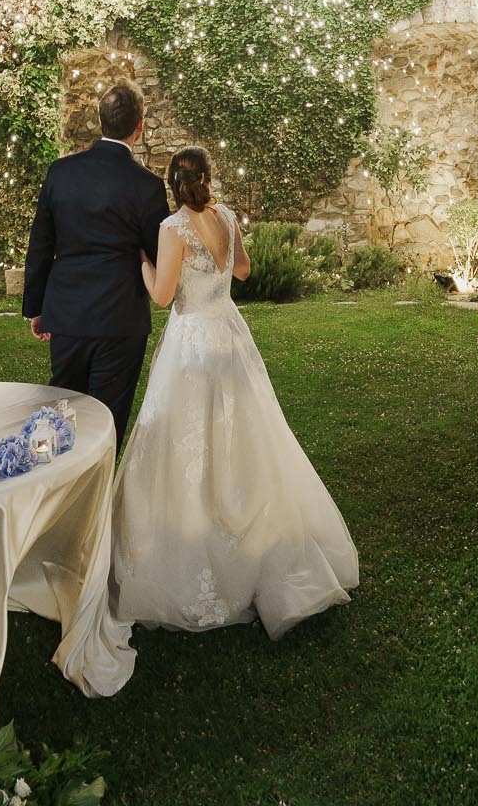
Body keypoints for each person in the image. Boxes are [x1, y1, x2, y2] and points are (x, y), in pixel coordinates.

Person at [112, 145, 359, 639]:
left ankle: (200, 538)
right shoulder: (225, 215)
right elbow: (242, 270)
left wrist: (140, 263)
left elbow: (162, 297)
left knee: (188, 439)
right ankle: (250, 526)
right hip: (229, 333)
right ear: (206, 178)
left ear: (173, 184)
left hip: (191, 344)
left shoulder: (171, 228)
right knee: (244, 432)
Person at [22, 81, 168, 448]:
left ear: (100, 122)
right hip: (120, 318)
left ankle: (60, 496)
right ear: (140, 127)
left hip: (67, 313)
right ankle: (97, 501)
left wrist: (36, 308)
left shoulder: (61, 172)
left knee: (62, 416)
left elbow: (41, 242)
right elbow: (158, 253)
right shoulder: (147, 185)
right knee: (108, 423)